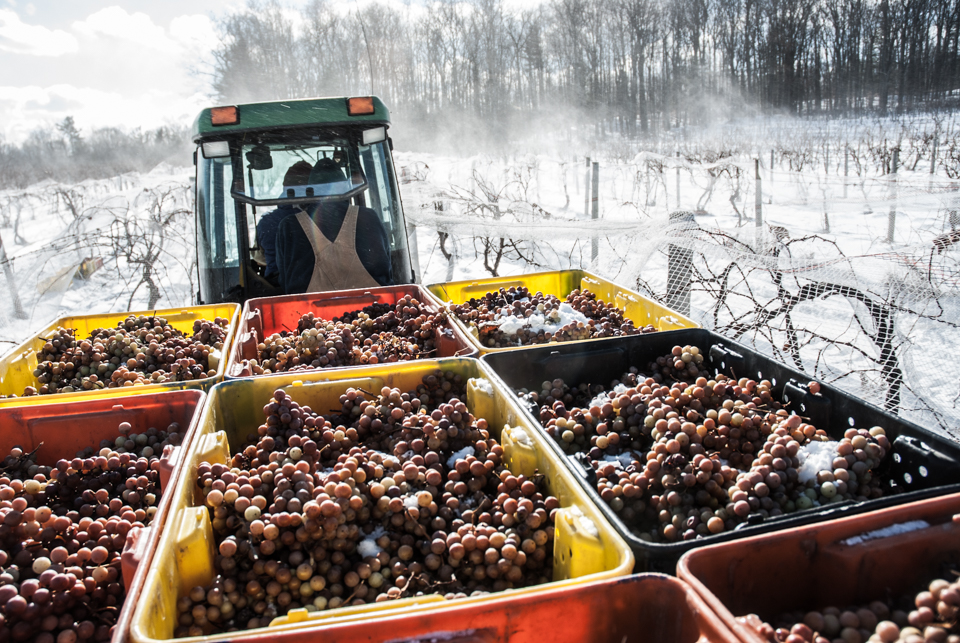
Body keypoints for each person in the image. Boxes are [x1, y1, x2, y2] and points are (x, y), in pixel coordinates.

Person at [275, 157, 393, 294]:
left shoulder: (289, 226)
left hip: (309, 313)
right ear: (346, 189)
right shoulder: (368, 218)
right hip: (375, 309)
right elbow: (387, 268)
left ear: (310, 191)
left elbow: (284, 280)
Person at [255, 160, 313, 283]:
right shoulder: (321, 219)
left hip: (276, 289)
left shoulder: (266, 222)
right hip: (316, 286)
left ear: (285, 186)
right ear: (313, 187)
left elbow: (260, 257)